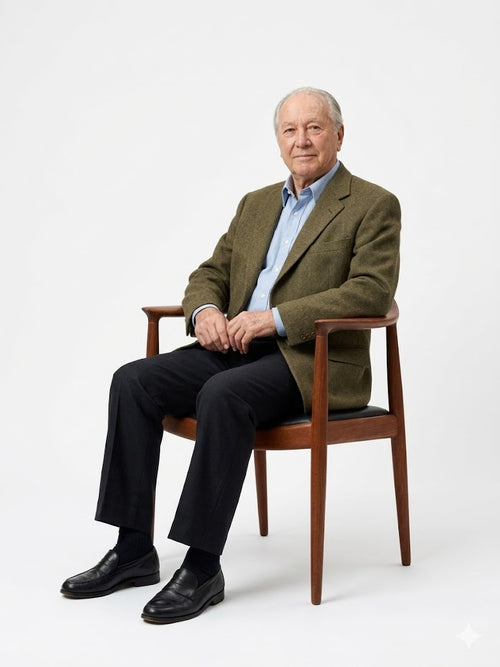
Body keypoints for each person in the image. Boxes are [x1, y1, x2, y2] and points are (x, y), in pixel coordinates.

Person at [61, 87, 401, 623]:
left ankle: (202, 567)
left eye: (314, 128)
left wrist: (275, 318)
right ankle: (133, 550)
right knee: (133, 380)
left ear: (339, 135)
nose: (302, 140)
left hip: (310, 359)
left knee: (223, 394)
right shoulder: (257, 203)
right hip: (235, 345)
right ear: (278, 140)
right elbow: (211, 272)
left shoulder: (373, 204)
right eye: (290, 130)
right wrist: (204, 313)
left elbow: (371, 291)